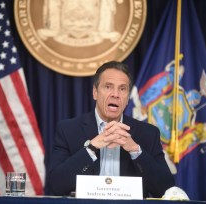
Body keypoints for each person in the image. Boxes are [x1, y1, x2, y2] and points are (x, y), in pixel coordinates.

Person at [47, 61, 175, 198]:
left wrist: (135, 150)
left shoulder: (148, 133)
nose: (115, 94)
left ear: (127, 99)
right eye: (108, 87)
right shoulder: (68, 129)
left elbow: (166, 189)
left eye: (122, 89)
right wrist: (91, 148)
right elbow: (56, 185)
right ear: (95, 92)